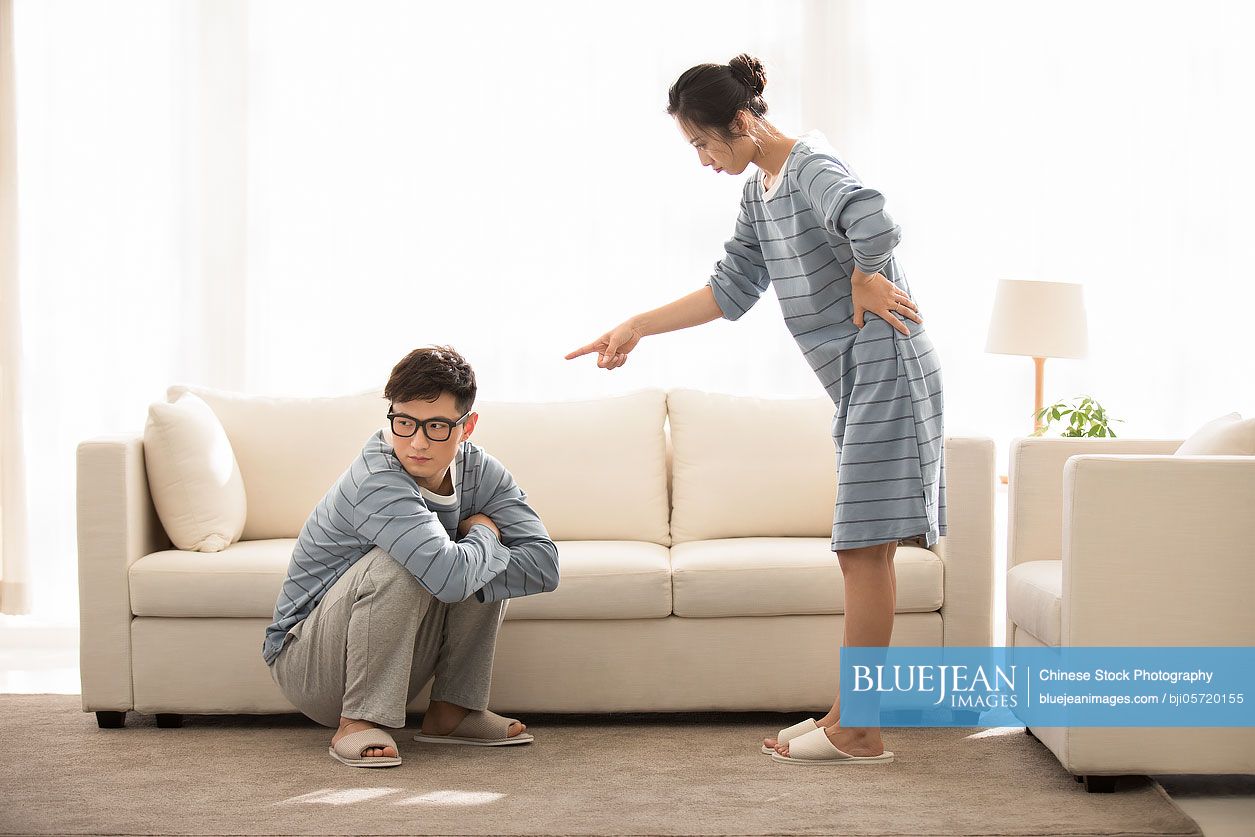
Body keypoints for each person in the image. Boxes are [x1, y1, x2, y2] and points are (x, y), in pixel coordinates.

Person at [566, 54, 945, 766]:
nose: (705, 160)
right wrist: (636, 325)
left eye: (705, 144)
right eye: (695, 149)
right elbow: (730, 290)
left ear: (742, 121)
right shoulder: (760, 192)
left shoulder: (807, 167)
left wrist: (866, 275)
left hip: (888, 365)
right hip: (862, 376)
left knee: (859, 548)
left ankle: (857, 728)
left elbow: (872, 216)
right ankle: (847, 715)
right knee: (868, 550)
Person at [263, 345, 560, 767]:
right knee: (411, 562)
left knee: (477, 566)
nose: (417, 443)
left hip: (396, 655)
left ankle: (452, 714)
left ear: (467, 425)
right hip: (309, 663)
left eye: (437, 426)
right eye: (404, 423)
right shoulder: (377, 478)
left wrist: (476, 551)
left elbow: (544, 564)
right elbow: (451, 576)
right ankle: (356, 722)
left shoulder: (481, 471)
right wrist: (484, 534)